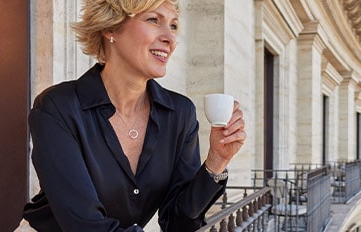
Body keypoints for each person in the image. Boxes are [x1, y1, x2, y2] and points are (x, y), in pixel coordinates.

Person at [21, 0, 246, 231]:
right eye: (153, 20)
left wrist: (217, 161)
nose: (170, 38)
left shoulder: (180, 114)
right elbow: (85, 224)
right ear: (110, 28)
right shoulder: (58, 108)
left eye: (174, 26)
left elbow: (178, 222)